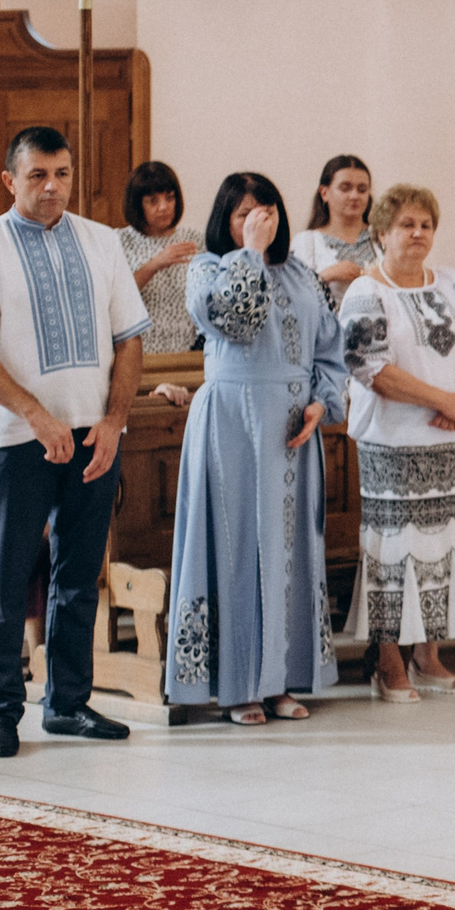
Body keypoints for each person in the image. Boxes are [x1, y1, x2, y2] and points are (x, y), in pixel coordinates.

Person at [0, 126, 148, 758]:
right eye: (38, 175)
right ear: (10, 179)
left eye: (62, 173)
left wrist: (113, 420)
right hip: (19, 438)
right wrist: (35, 414)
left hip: (96, 436)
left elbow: (129, 337)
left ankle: (66, 703)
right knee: (7, 578)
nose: (52, 186)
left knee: (79, 577)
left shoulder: (101, 241)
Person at [164, 173, 346, 726]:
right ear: (226, 220)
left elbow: (330, 347)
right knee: (237, 546)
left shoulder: (302, 274)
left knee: (289, 549)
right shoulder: (207, 269)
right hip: (234, 423)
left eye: (266, 210)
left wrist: (321, 402)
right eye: (244, 213)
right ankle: (237, 684)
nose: (258, 220)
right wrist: (249, 253)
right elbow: (236, 322)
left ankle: (281, 679)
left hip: (292, 430)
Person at [339, 183, 455, 702]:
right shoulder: (367, 290)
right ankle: (388, 665)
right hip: (394, 443)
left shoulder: (449, 281)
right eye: (407, 224)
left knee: (444, 546)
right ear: (382, 233)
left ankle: (428, 658)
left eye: (426, 225)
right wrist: (443, 401)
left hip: (451, 439)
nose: (418, 233)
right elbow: (370, 367)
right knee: (395, 550)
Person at [118, 161, 200, 354]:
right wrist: (155, 264)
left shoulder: (195, 240)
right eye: (153, 201)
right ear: (137, 204)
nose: (164, 207)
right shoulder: (119, 241)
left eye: (170, 198)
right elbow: (117, 298)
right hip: (140, 353)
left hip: (189, 352)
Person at [290, 154, 376, 308]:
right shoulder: (307, 242)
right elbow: (291, 297)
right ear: (324, 193)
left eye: (362, 190)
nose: (354, 196)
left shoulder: (383, 237)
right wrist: (326, 276)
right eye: (345, 188)